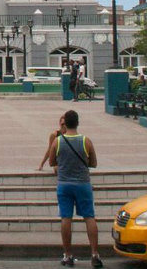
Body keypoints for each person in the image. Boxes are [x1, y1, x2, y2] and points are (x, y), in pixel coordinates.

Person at [48, 109, 101, 268]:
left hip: (64, 184)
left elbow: (52, 162)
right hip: (83, 184)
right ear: (77, 123)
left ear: (65, 123)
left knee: (66, 218)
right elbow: (93, 163)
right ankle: (94, 254)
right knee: (89, 217)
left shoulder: (58, 142)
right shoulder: (86, 141)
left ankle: (68, 255)